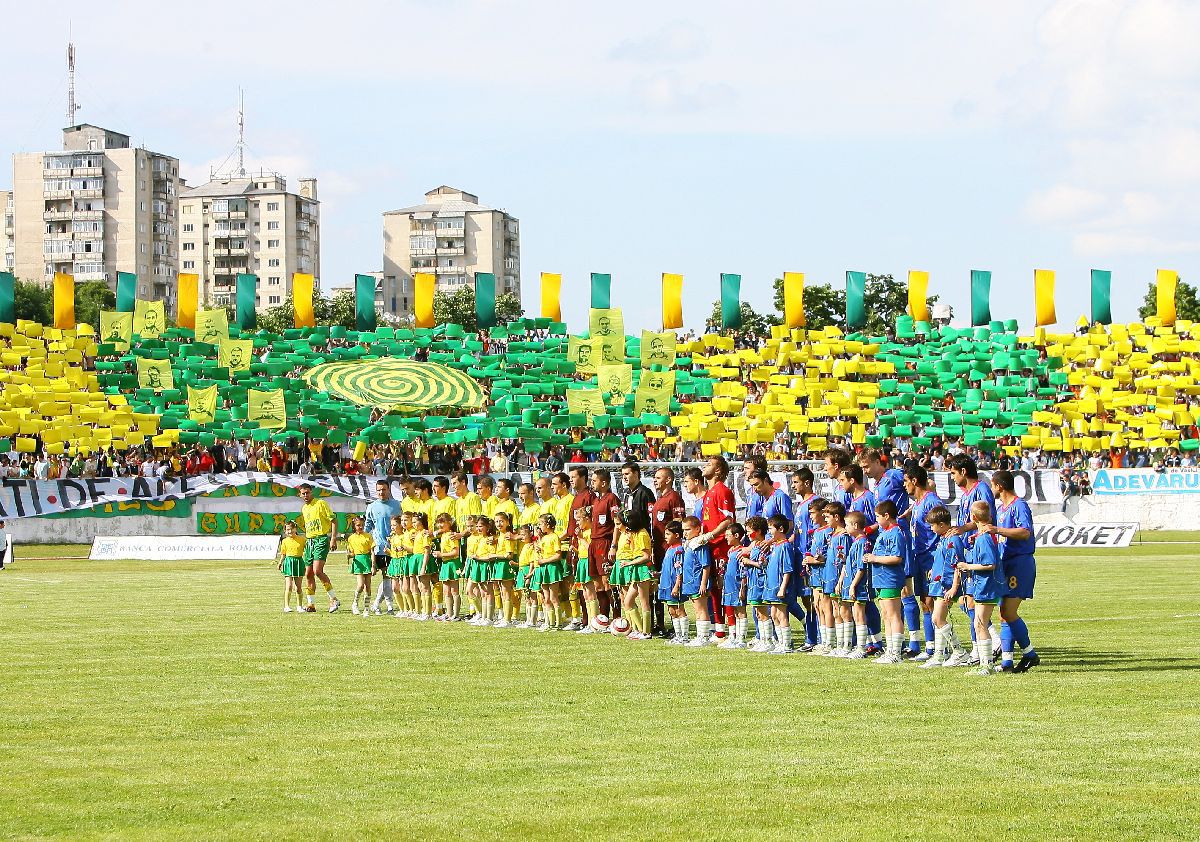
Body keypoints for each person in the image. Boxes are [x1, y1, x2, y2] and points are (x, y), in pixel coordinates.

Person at [982, 470, 1040, 673]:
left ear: (999, 486)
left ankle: (1030, 654)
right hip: (1006, 563)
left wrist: (996, 530)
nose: (991, 489)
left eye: (992, 485)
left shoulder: (1019, 505)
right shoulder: (1002, 508)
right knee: (1003, 613)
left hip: (1019, 563)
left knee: (1009, 611)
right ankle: (1007, 662)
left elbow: (1025, 532)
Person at [961, 500, 1006, 676]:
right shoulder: (982, 537)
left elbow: (990, 564)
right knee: (978, 623)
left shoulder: (985, 538)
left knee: (980, 623)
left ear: (973, 517)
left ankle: (986, 664)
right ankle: (984, 663)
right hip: (982, 585)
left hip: (987, 585)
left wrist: (968, 566)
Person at [904, 464, 944, 659]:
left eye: (906, 481)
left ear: (914, 481)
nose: (904, 486)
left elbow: (943, 526)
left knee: (933, 601)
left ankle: (938, 648)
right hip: (919, 556)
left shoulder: (931, 502)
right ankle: (930, 647)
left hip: (931, 557)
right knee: (925, 602)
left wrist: (938, 557)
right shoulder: (918, 503)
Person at [923, 506, 970, 668]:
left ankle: (959, 652)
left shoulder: (953, 539)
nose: (931, 528)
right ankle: (939, 655)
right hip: (938, 583)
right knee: (937, 620)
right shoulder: (943, 538)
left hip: (946, 585)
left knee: (937, 618)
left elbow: (957, 565)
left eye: (932, 525)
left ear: (942, 524)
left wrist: (954, 587)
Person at [866, 500, 909, 664]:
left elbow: (897, 558)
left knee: (893, 615)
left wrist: (875, 558)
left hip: (890, 579)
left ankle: (896, 652)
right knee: (886, 615)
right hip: (881, 580)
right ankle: (890, 650)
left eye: (878, 516)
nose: (876, 520)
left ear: (886, 515)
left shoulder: (896, 533)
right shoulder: (884, 532)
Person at [699, 456, 737, 641]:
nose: (704, 466)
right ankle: (720, 631)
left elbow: (728, 520)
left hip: (722, 547)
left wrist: (711, 535)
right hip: (710, 547)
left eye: (709, 464)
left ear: (718, 471)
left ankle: (734, 631)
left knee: (725, 587)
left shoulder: (722, 491)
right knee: (713, 588)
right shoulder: (708, 492)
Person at [298, 484, 340, 612]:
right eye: (303, 493)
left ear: (312, 492)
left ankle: (334, 599)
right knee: (308, 573)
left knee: (317, 571)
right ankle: (311, 604)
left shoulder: (321, 503)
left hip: (321, 539)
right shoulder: (304, 508)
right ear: (300, 494)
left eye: (307, 493)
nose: (305, 495)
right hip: (310, 541)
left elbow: (334, 520)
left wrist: (333, 538)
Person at [613, 508, 654, 640]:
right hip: (636, 568)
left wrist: (629, 563)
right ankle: (639, 629)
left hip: (642, 569)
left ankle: (646, 632)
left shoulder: (642, 534)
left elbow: (646, 556)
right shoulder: (634, 534)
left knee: (644, 601)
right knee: (627, 601)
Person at [838, 511, 873, 660]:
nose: (845, 528)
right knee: (854, 614)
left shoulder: (862, 542)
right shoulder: (855, 542)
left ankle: (861, 648)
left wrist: (853, 585)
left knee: (859, 616)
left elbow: (861, 567)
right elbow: (852, 563)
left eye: (847, 525)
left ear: (856, 525)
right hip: (852, 584)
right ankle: (854, 646)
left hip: (859, 586)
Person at [365, 480, 402, 615]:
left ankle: (377, 604)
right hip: (380, 548)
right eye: (379, 490)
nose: (381, 492)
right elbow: (367, 527)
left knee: (390, 576)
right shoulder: (372, 507)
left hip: (396, 547)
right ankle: (389, 606)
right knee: (388, 576)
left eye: (384, 489)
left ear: (389, 490)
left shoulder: (397, 505)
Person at [589, 469, 622, 617]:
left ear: (604, 483)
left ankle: (617, 618)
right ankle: (603, 617)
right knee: (597, 584)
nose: (592, 483)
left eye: (594, 480)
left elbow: (617, 523)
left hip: (605, 543)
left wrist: (614, 545)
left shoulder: (612, 498)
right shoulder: (596, 500)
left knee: (607, 582)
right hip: (594, 542)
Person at [821, 503, 851, 656]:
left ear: (837, 517)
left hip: (840, 579)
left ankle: (847, 645)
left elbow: (846, 561)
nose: (825, 519)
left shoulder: (844, 536)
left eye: (827, 517)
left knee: (844, 610)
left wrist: (841, 580)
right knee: (835, 611)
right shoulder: (832, 535)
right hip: (830, 577)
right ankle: (839, 644)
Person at [763, 514, 794, 654]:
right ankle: (780, 643)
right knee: (774, 614)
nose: (769, 531)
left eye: (771, 528)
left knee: (781, 615)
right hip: (771, 586)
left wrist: (783, 587)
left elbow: (787, 569)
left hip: (779, 587)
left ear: (780, 528)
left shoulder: (785, 546)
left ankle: (787, 644)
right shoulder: (776, 546)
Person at [680, 516, 713, 647]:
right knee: (696, 609)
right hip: (690, 583)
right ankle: (700, 635)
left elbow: (706, 565)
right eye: (683, 530)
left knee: (701, 609)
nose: (685, 532)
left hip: (698, 583)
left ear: (697, 529)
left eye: (688, 529)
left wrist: (703, 583)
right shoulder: (689, 545)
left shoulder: (700, 545)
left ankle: (704, 637)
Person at [720, 523, 750, 649]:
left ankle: (742, 638)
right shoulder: (730, 551)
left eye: (728, 535)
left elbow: (744, 571)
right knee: (734, 611)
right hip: (729, 586)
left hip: (737, 586)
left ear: (736, 535)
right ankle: (735, 637)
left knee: (741, 611)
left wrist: (743, 588)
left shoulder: (741, 551)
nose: (726, 538)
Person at [657, 521, 688, 644]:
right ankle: (678, 635)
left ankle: (684, 636)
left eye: (668, 534)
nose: (665, 536)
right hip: (666, 584)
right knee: (671, 610)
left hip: (674, 584)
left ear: (676, 535)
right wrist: (658, 574)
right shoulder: (669, 549)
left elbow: (679, 569)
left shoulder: (678, 550)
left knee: (679, 609)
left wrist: (677, 585)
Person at [534, 513, 566, 631]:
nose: (539, 526)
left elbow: (558, 555)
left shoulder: (554, 537)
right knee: (545, 598)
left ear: (548, 524)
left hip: (552, 568)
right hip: (544, 569)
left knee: (553, 597)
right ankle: (550, 623)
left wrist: (544, 560)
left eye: (541, 523)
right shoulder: (544, 538)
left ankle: (559, 623)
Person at [491, 511, 519, 627]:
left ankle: (508, 619)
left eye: (501, 521)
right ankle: (505, 618)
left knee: (507, 592)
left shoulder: (508, 535)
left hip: (505, 565)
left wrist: (495, 556)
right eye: (496, 521)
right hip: (499, 565)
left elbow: (509, 555)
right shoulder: (500, 535)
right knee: (502, 592)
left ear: (507, 522)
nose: (499, 524)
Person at [345, 517, 376, 617]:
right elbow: (351, 552)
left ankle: (366, 608)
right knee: (360, 585)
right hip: (358, 562)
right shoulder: (351, 538)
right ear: (354, 526)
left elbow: (372, 552)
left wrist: (373, 565)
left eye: (362, 525)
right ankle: (355, 604)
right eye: (358, 525)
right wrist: (350, 555)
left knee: (368, 586)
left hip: (367, 561)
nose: (361, 527)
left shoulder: (368, 536)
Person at [276, 521, 307, 613]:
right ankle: (286, 606)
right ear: (285, 531)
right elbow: (283, 554)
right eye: (288, 529)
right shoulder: (284, 541)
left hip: (299, 562)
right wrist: (280, 563)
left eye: (291, 529)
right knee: (289, 586)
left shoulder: (302, 539)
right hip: (289, 563)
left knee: (298, 587)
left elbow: (307, 551)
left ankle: (299, 606)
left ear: (295, 529)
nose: (290, 531)